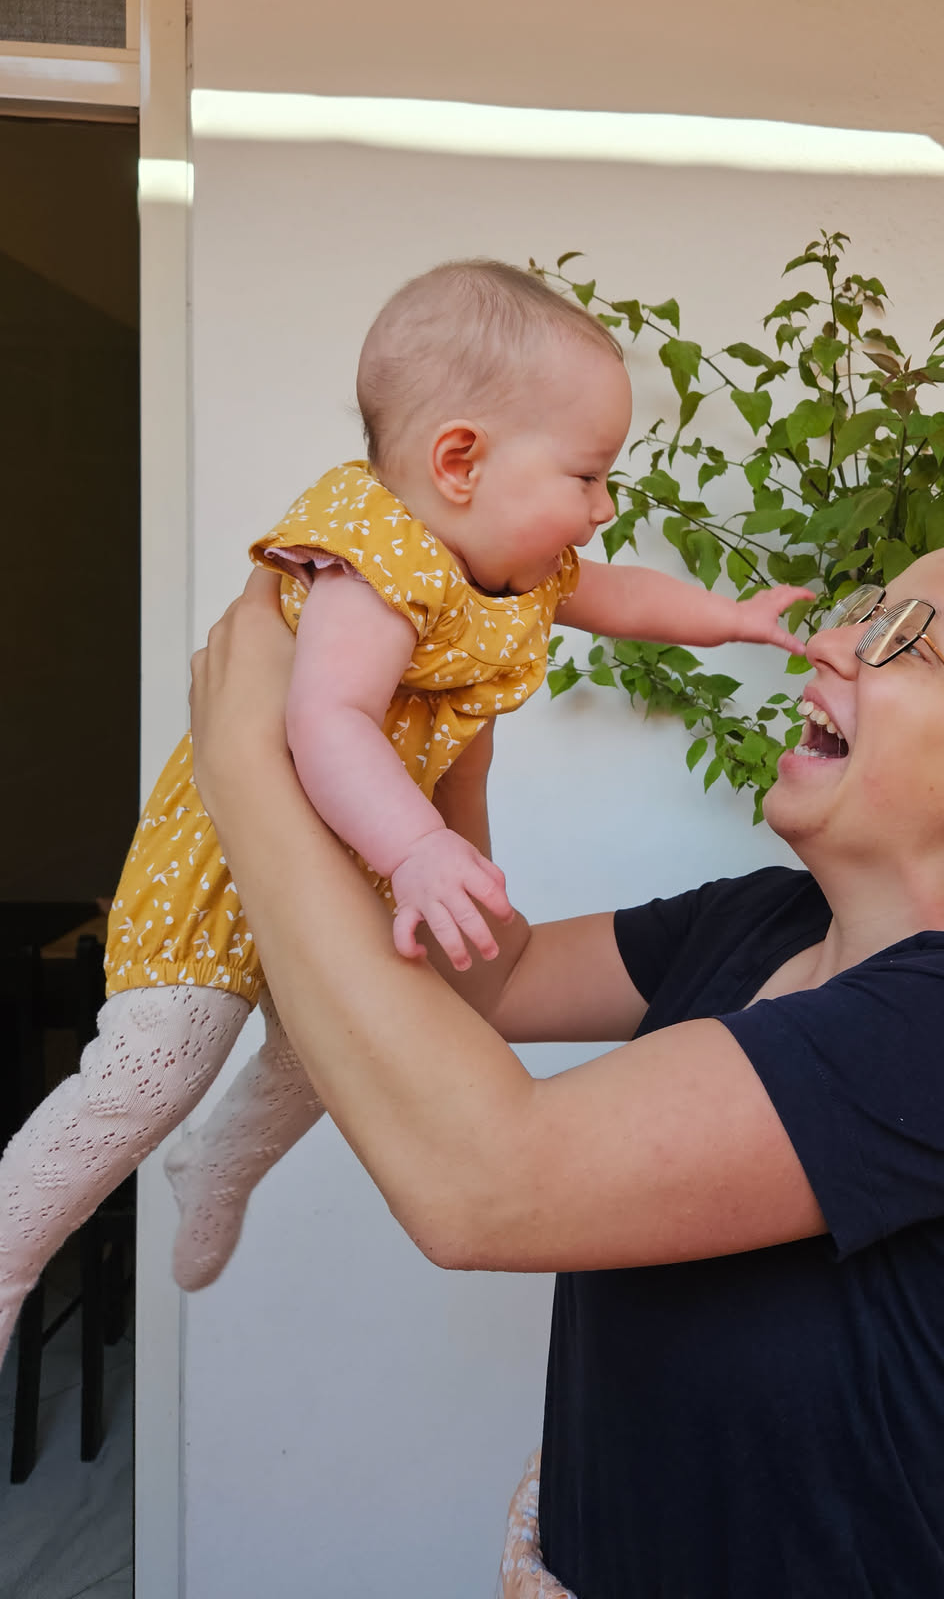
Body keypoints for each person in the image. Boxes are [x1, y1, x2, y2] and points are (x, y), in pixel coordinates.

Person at [185, 522, 944, 1597]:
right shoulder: (769, 919)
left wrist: (244, 767)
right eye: (865, 612)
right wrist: (459, 744)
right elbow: (496, 982)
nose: (833, 643)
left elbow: (481, 1188)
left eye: (905, 639)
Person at [0, 260, 810, 1361]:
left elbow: (619, 596)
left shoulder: (518, 570)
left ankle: (221, 1160)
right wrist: (423, 844)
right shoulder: (376, 562)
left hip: (358, 855)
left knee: (337, 1049)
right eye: (587, 475)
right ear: (459, 461)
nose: (604, 507)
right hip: (231, 854)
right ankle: (15, 1250)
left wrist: (734, 620)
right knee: (157, 1065)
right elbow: (325, 720)